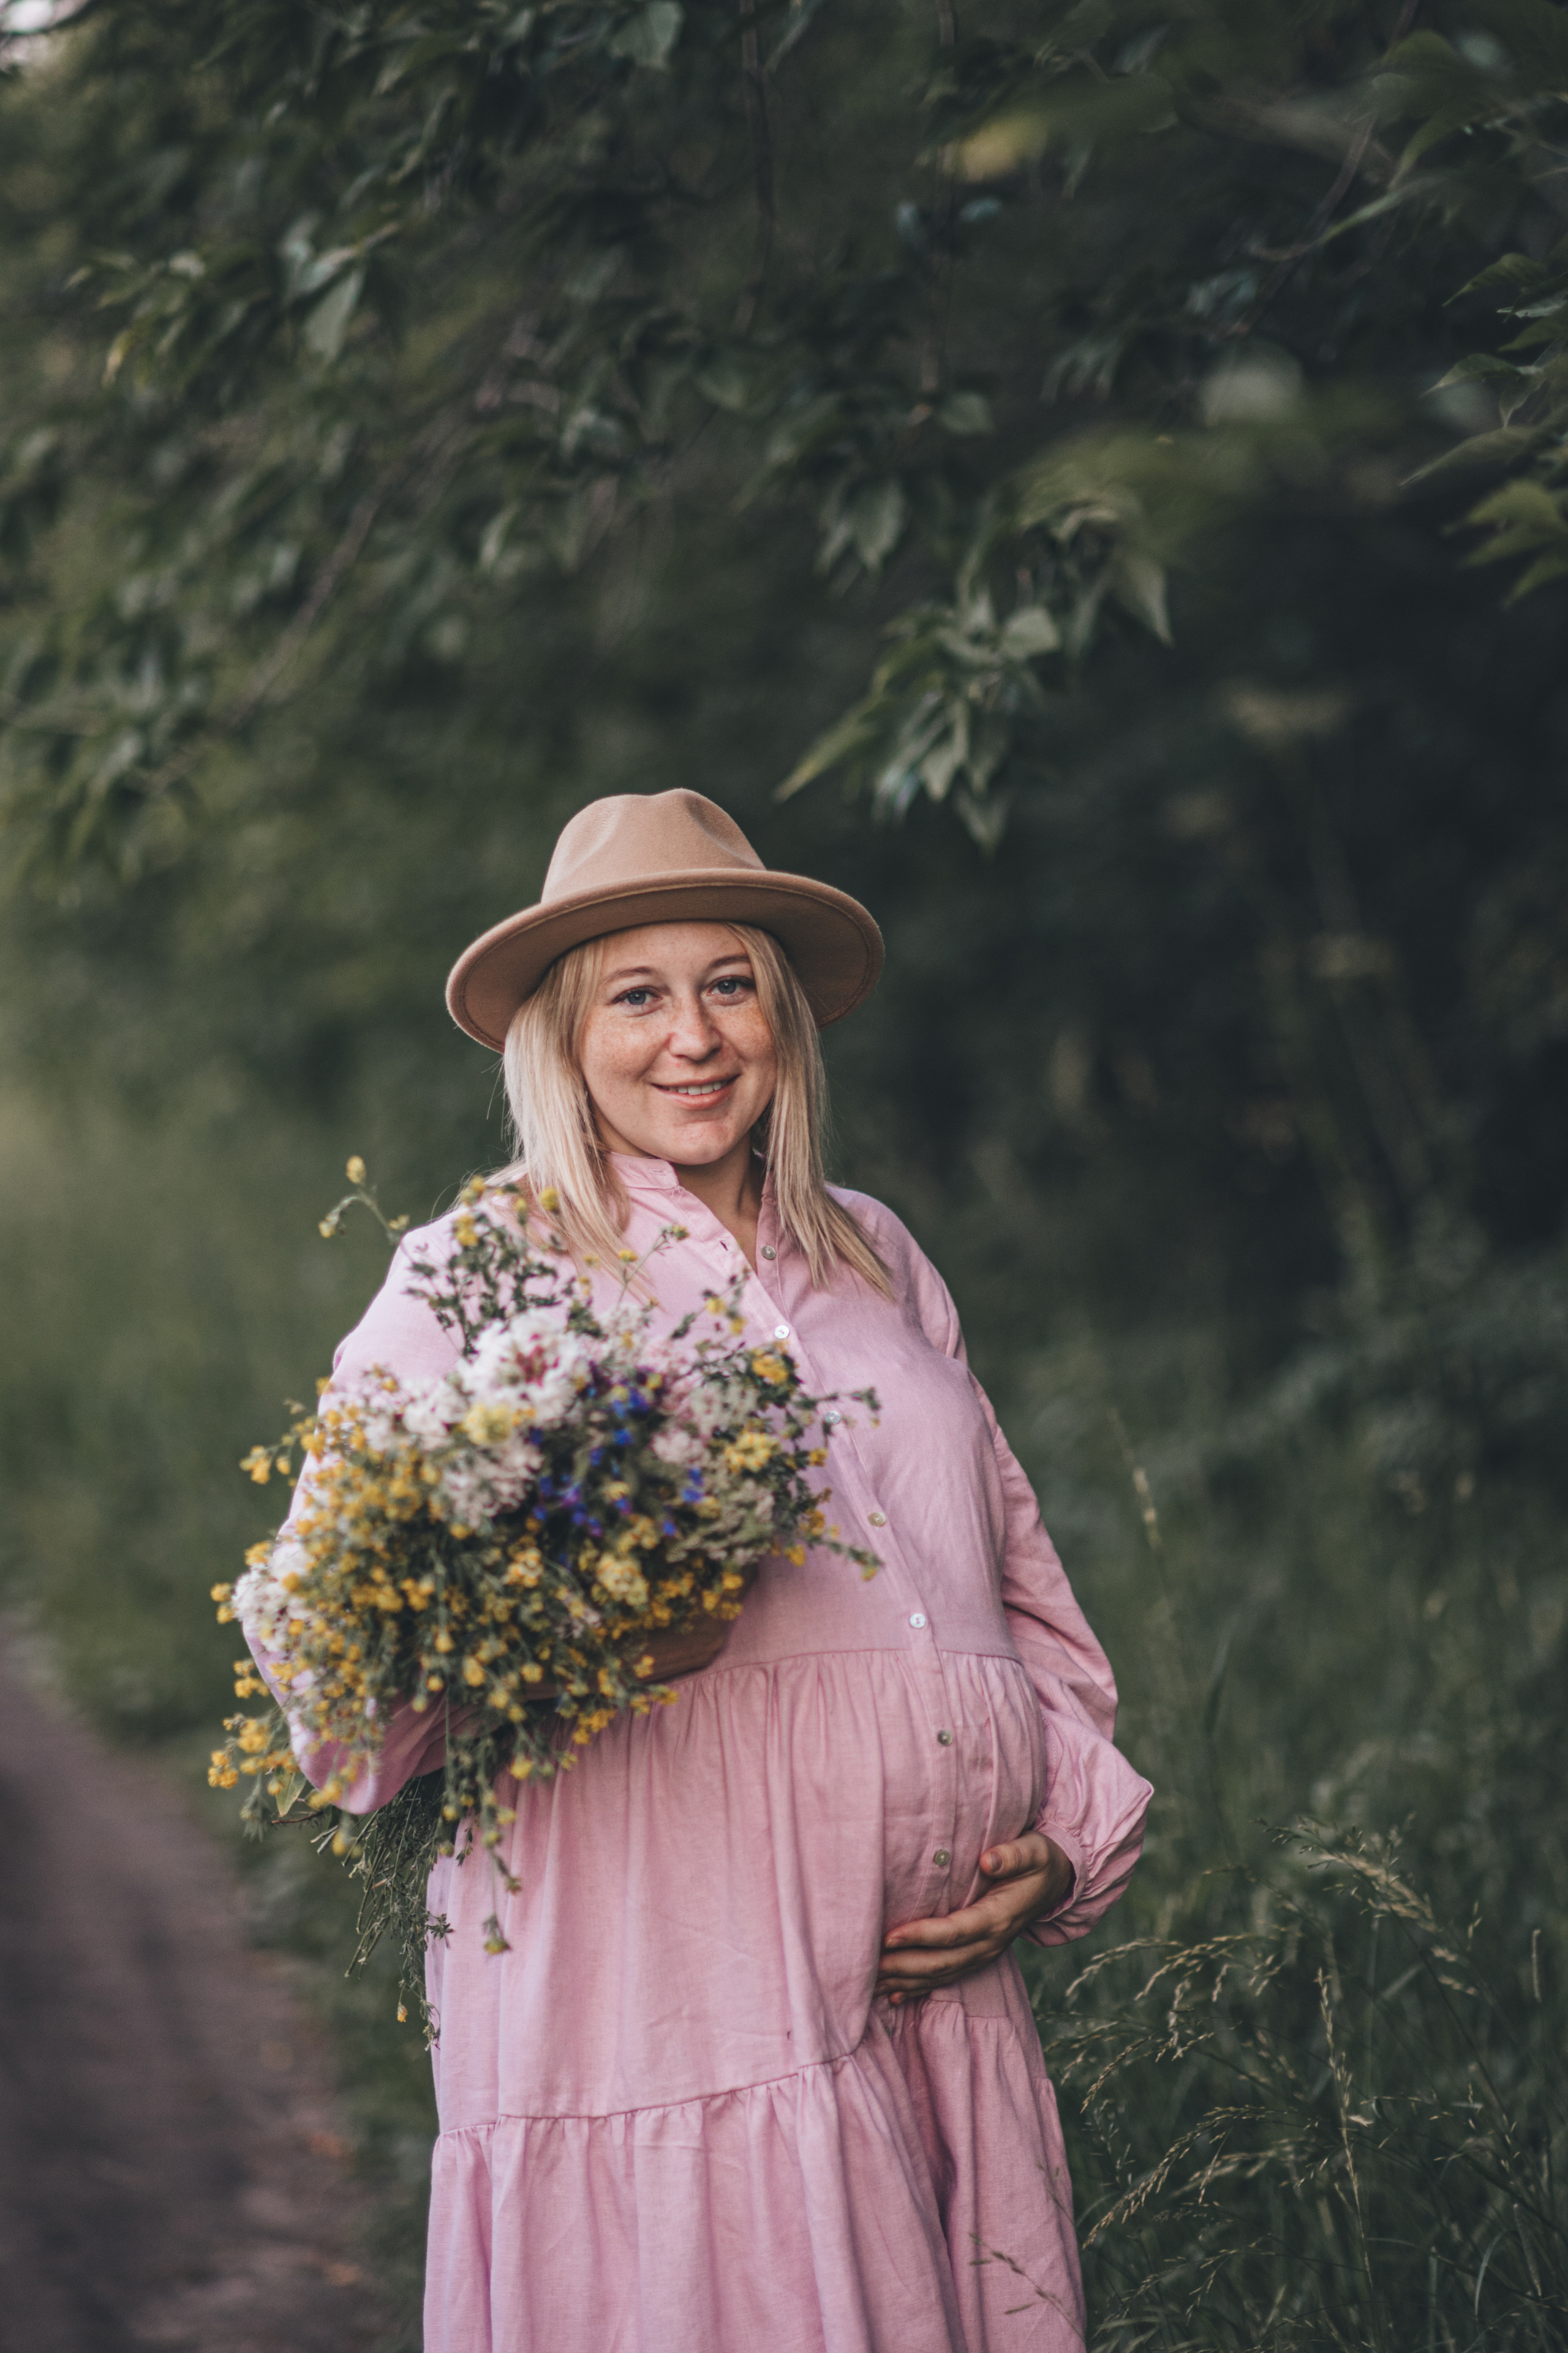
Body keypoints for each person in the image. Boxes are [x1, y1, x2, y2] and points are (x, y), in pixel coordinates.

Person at [254, 789, 1152, 2353]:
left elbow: (1014, 1596)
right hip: (666, 2003)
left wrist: (1062, 1847)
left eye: (729, 984)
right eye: (637, 995)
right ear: (561, 1036)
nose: (694, 1036)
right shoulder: (485, 1268)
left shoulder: (875, 1252)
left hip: (928, 2010)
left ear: (782, 1014)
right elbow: (329, 1643)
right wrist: (579, 1634)